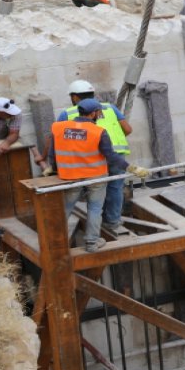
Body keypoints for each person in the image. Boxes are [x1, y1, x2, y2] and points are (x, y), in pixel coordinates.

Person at [47, 99, 149, 252]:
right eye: (99, 112)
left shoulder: (59, 127)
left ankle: (52, 244)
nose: (99, 115)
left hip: (71, 176)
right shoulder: (98, 131)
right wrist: (132, 168)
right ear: (93, 113)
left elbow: (52, 153)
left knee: (65, 208)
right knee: (95, 209)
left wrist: (53, 169)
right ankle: (92, 243)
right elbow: (111, 156)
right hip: (95, 176)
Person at [57, 80, 133, 231]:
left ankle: (61, 229)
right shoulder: (110, 108)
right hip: (117, 155)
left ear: (75, 97)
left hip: (92, 158)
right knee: (115, 188)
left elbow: (56, 137)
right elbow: (128, 129)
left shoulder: (68, 113)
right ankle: (112, 221)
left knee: (92, 192)